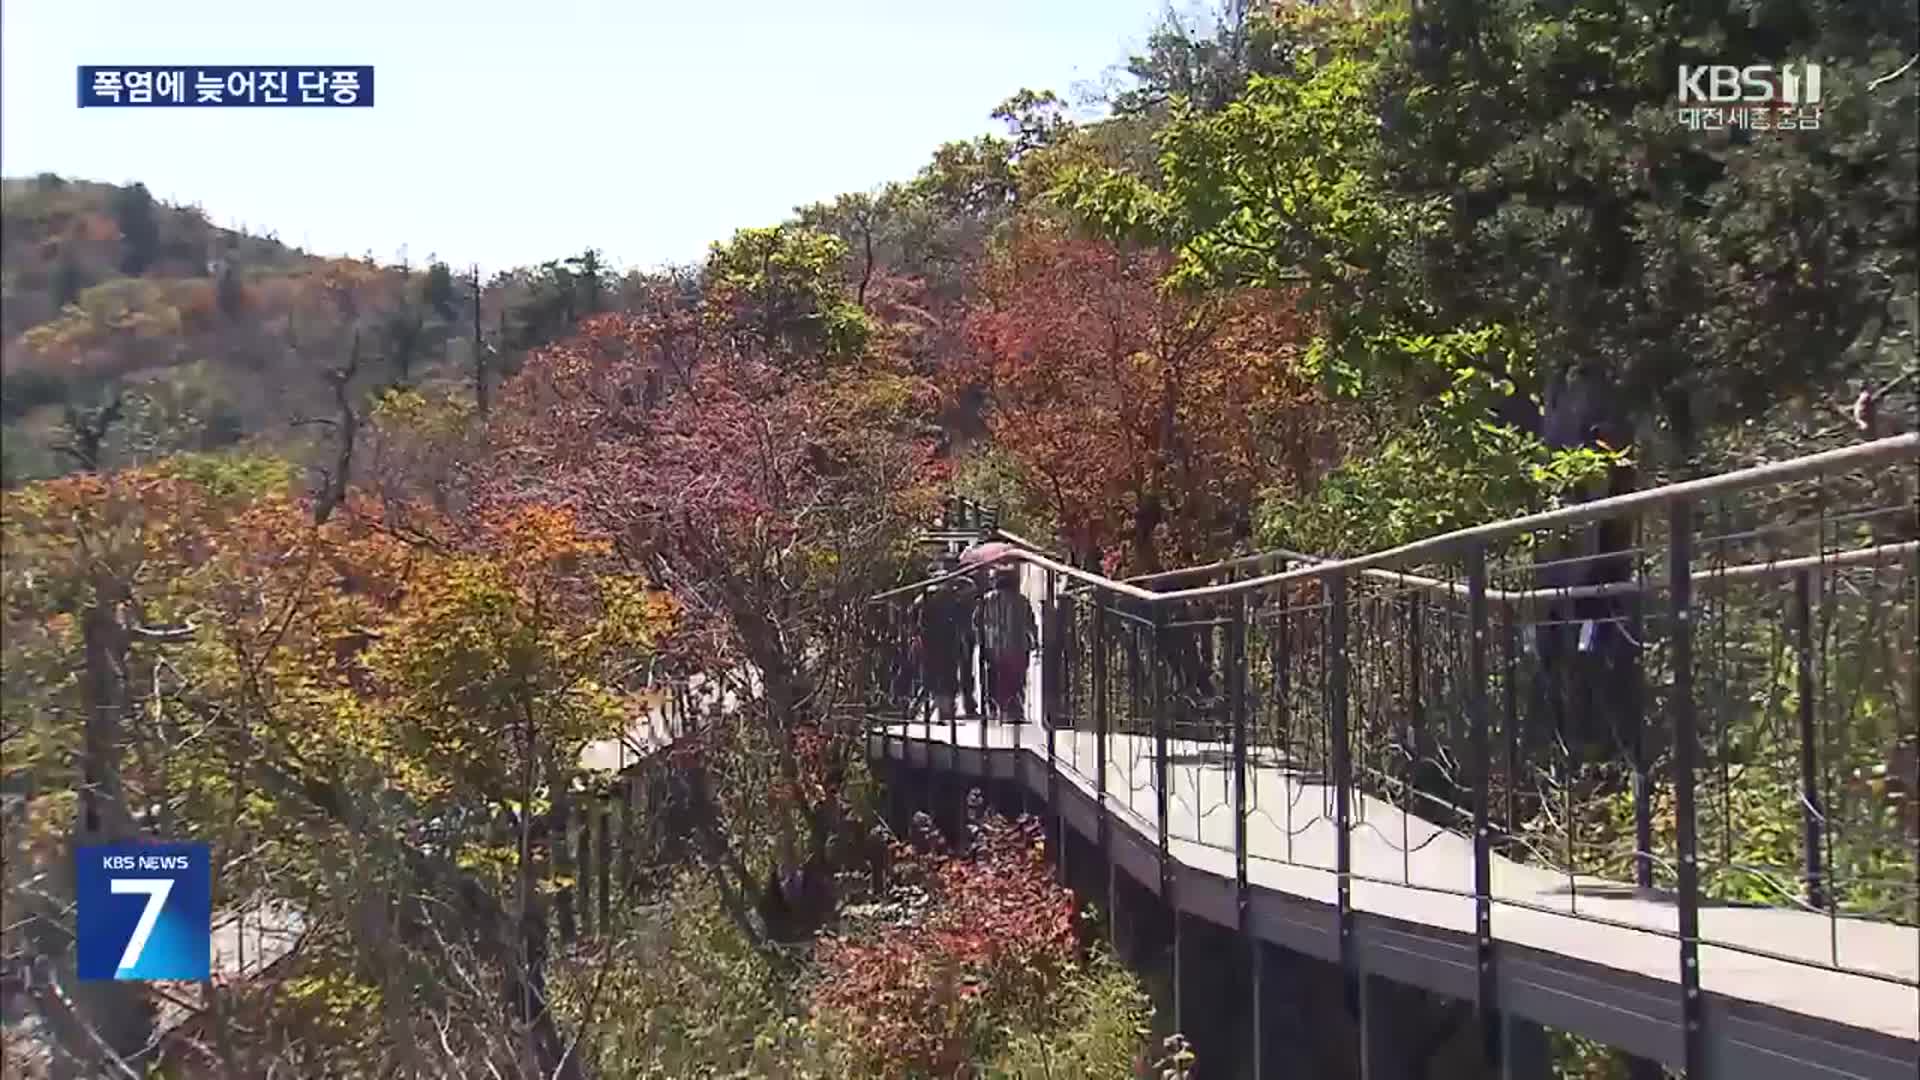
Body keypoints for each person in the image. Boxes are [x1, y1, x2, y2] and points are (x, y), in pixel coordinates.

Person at [977, 566, 1038, 722]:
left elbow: (976, 621)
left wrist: (984, 634)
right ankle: (1014, 709)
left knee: (995, 677)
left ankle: (995, 708)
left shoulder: (987, 599)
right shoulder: (1022, 600)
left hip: (993, 645)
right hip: (1017, 645)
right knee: (1017, 679)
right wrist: (1034, 641)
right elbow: (1030, 623)